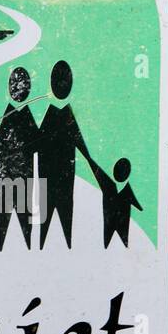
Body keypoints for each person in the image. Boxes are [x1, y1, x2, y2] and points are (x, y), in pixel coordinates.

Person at [36, 60, 97, 249]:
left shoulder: (59, 115)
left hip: (60, 172)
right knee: (51, 212)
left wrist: (89, 159)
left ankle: (63, 243)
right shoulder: (57, 115)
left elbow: (37, 143)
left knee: (62, 211)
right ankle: (48, 242)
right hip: (54, 172)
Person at [0, 66, 38, 248]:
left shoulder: (25, 115)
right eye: (14, 84)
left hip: (23, 170)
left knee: (23, 208)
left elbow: (36, 140)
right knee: (5, 206)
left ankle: (27, 242)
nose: (16, 87)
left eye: (20, 84)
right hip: (7, 168)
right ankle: (2, 242)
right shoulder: (11, 113)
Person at [92, 157, 143, 248]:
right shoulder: (115, 187)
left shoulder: (114, 187)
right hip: (112, 221)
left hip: (118, 222)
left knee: (120, 244)